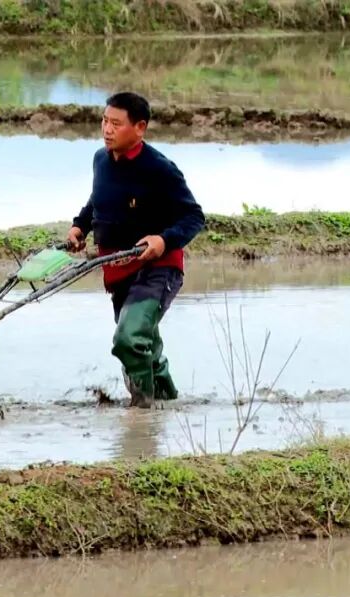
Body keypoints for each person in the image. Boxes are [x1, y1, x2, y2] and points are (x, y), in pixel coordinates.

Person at [66, 92, 205, 409]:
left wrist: (163, 241)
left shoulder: (159, 169)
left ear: (140, 127)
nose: (107, 129)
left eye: (116, 123)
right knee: (145, 347)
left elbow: (194, 217)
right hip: (117, 270)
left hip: (158, 269)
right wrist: (79, 227)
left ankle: (142, 414)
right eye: (104, 121)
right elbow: (98, 202)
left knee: (129, 340)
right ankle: (168, 406)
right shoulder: (101, 160)